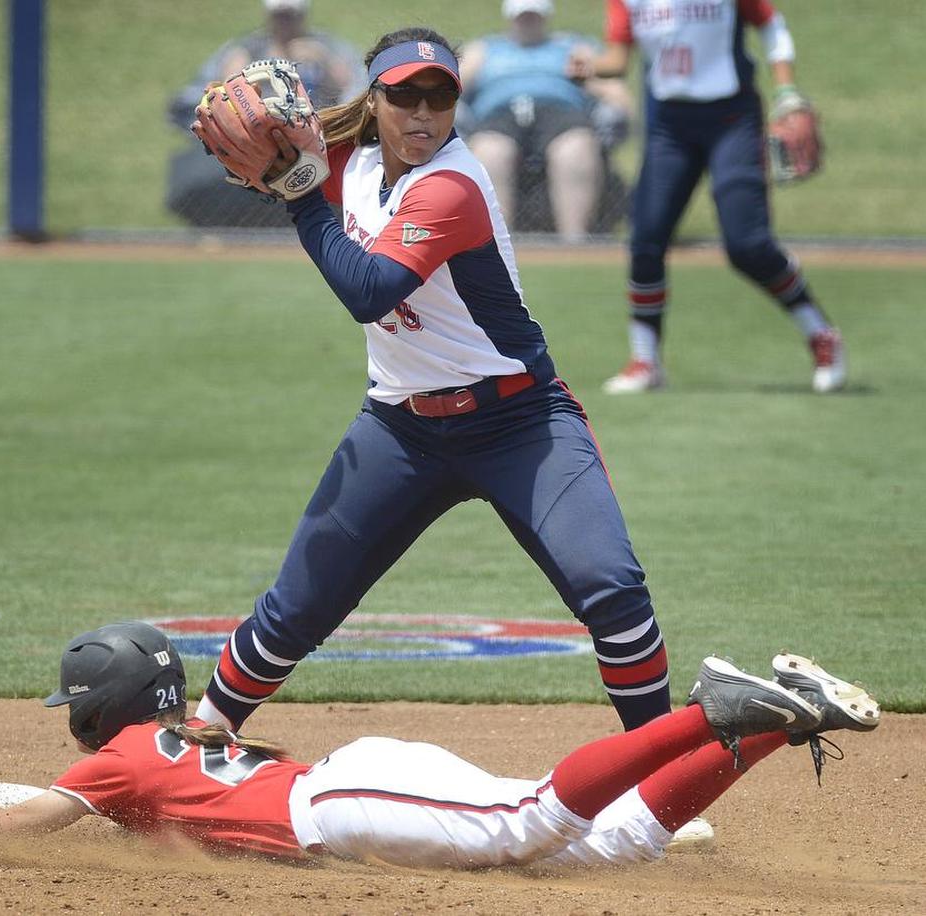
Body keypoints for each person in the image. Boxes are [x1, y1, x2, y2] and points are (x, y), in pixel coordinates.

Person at [190, 27, 676, 738]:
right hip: (401, 426)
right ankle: (203, 734)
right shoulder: (347, 165)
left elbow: (370, 291)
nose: (423, 112)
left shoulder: (452, 185)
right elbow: (265, 161)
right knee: (297, 605)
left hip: (519, 423)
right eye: (405, 95)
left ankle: (658, 777)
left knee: (612, 591)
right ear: (376, 97)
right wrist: (265, 153)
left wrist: (296, 191)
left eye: (440, 96)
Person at [0, 621, 881, 870]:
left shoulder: (114, 758)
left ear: (101, 706)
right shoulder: (180, 731)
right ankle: (787, 716)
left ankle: (707, 713)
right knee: (614, 846)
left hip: (342, 802)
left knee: (528, 821)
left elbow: (15, 824)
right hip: (353, 780)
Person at [567, 1, 847, 394]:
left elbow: (770, 23)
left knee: (747, 244)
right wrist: (591, 67)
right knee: (646, 239)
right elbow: (619, 57)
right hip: (670, 124)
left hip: (731, 119)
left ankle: (821, 334)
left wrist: (786, 90)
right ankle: (645, 360)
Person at [166, 0, 365, 227]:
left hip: (318, 141)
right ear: (269, 16)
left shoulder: (327, 47)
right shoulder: (247, 49)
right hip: (256, 142)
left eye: (291, 16)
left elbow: (357, 95)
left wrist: (325, 63)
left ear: (303, 16)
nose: (285, 23)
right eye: (279, 16)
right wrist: (242, 73)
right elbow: (212, 95)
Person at [458, 0, 633, 239]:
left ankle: (575, 242)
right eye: (522, 16)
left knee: (575, 147)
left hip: (562, 114)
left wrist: (601, 92)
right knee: (490, 151)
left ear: (545, 16)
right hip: (498, 116)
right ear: (510, 16)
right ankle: (496, 244)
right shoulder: (485, 50)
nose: (528, 22)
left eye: (533, 16)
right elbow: (451, 87)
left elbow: (617, 94)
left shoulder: (571, 48)